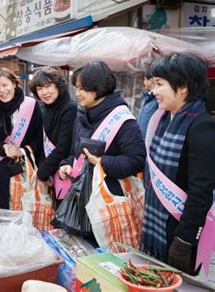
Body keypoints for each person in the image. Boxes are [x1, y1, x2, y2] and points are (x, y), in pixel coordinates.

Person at [140, 53, 215, 275]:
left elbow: (201, 193)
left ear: (182, 88)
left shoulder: (201, 128)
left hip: (178, 232)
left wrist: (183, 241)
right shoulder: (162, 120)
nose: (153, 91)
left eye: (160, 84)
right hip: (156, 227)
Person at [58, 62, 145, 226]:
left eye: (82, 88)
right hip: (81, 198)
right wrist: (67, 164)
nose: (77, 93)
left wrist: (101, 162)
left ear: (98, 87)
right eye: (76, 88)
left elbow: (137, 160)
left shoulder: (123, 120)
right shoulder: (81, 115)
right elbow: (74, 154)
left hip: (108, 204)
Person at [0, 68, 43, 209]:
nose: (2, 90)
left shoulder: (31, 105)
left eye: (5, 85)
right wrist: (3, 147)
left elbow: (40, 138)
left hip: (26, 167)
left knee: (26, 208)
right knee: (4, 209)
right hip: (1, 167)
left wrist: (21, 151)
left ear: (15, 84)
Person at [28, 67, 77, 199]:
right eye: (39, 89)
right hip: (51, 171)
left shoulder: (69, 108)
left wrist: (42, 173)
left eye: (48, 86)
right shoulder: (46, 108)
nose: (44, 92)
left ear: (58, 85)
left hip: (65, 171)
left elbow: (63, 147)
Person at [137, 72, 158, 139]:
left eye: (145, 79)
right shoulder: (148, 97)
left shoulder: (157, 99)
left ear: (151, 80)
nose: (144, 82)